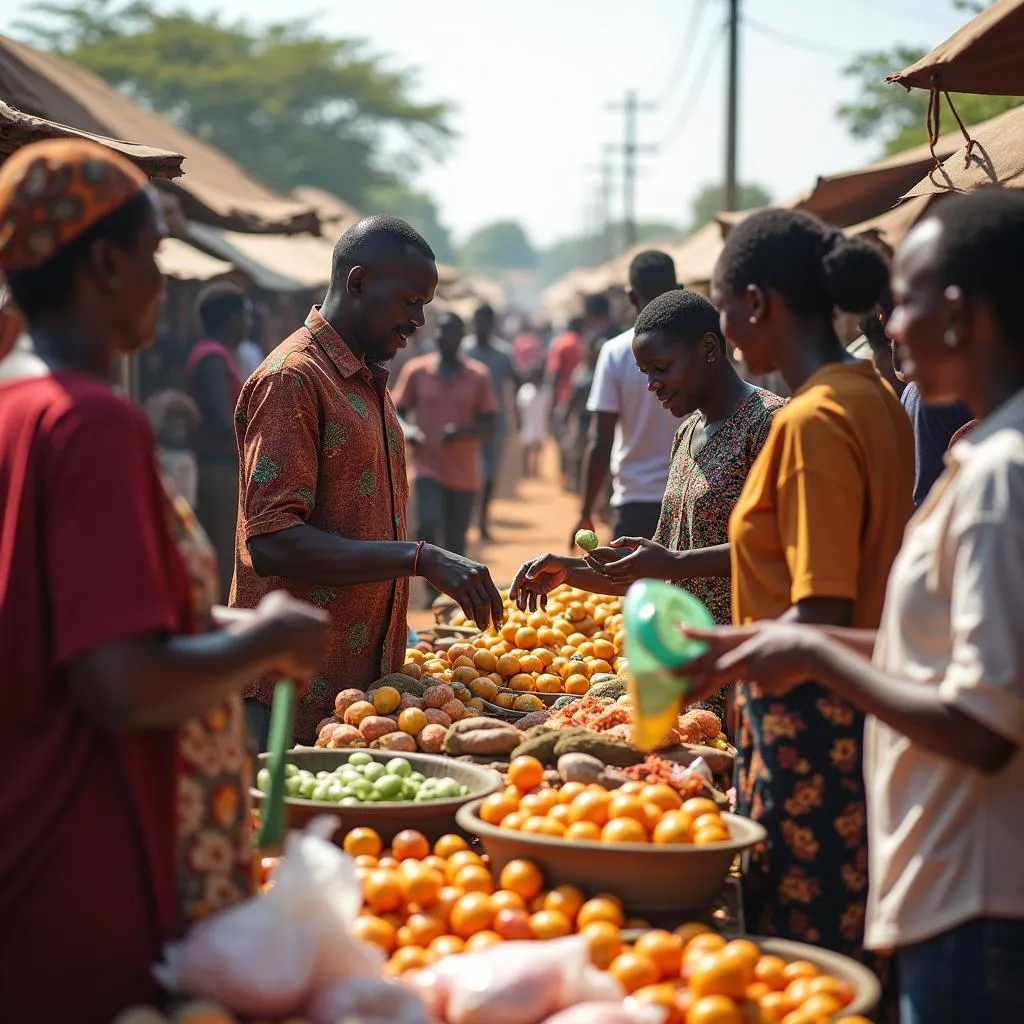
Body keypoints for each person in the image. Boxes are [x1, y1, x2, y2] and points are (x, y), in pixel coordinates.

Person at [0, 139, 327, 1024]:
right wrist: (267, 638)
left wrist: (217, 623)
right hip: (93, 858)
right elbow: (118, 683)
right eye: (152, 257)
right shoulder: (91, 424)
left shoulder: (16, 409)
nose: (159, 278)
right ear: (103, 263)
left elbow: (80, 615)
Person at [680, 189, 1024, 1024]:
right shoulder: (887, 403)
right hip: (935, 833)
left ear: (957, 312)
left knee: (820, 978)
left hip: (949, 858)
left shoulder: (983, 471)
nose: (888, 323)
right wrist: (760, 645)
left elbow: (976, 715)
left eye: (902, 302)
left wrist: (802, 652)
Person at [698, 209, 914, 989]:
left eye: (722, 309)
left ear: (758, 303)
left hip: (810, 727)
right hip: (861, 704)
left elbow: (817, 612)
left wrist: (716, 657)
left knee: (808, 962)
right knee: (853, 949)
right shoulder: (875, 396)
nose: (724, 333)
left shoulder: (815, 421)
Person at [230, 216, 503, 749]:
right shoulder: (294, 379)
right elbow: (272, 540)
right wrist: (418, 558)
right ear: (357, 284)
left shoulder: (365, 376)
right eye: (409, 302)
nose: (419, 321)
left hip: (357, 694)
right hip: (289, 694)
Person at [510, 289, 784, 716]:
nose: (652, 384)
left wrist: (675, 564)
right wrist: (569, 570)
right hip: (683, 667)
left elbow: (784, 549)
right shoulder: (686, 432)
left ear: (709, 348)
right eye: (645, 372)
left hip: (745, 665)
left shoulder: (769, 425)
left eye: (661, 368)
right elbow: (654, 573)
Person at [573, 251, 680, 548]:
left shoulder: (616, 352)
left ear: (632, 296)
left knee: (631, 591)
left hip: (634, 501)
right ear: (679, 290)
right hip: (690, 498)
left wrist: (585, 510)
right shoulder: (698, 348)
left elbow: (600, 437)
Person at [393, 311, 499, 579]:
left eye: (451, 331)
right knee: (427, 522)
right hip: (428, 465)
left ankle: (450, 591)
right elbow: (397, 410)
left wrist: (462, 432)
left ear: (462, 337)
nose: (444, 336)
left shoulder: (478, 375)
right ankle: (429, 587)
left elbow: (490, 423)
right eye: (440, 331)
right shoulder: (417, 371)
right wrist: (410, 430)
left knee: (455, 539)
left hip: (464, 472)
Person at [184, 283, 250, 596]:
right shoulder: (211, 357)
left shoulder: (220, 355)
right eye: (245, 315)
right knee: (224, 550)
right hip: (217, 467)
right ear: (232, 318)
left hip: (222, 466)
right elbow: (220, 419)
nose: (249, 323)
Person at [464, 303, 518, 540]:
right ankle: (467, 518)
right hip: (467, 422)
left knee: (490, 473)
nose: (483, 326)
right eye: (479, 321)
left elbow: (516, 380)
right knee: (469, 471)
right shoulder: (463, 350)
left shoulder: (503, 353)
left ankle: (483, 518)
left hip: (495, 423)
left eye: (487, 321)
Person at [516, 365, 551, 478]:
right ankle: (525, 470)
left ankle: (535, 470)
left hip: (540, 422)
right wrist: (518, 422)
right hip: (527, 422)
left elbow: (550, 409)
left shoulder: (546, 390)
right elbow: (518, 408)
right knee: (526, 447)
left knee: (538, 448)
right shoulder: (525, 390)